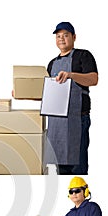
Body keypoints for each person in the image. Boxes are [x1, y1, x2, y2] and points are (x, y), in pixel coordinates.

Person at [45, 22, 98, 175]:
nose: (61, 39)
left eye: (66, 35)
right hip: (56, 124)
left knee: (77, 169)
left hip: (77, 120)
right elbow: (48, 94)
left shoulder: (83, 55)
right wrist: (23, 94)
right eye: (58, 36)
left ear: (74, 37)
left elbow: (93, 79)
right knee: (61, 170)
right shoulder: (52, 64)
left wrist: (71, 75)